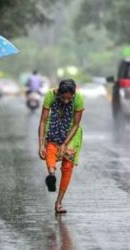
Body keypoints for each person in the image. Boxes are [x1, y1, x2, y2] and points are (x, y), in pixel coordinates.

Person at [38, 79, 84, 214]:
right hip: (53, 128)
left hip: (72, 133)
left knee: (67, 167)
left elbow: (76, 124)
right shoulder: (50, 96)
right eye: (63, 98)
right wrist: (41, 144)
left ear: (74, 95)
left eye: (69, 98)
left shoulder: (79, 99)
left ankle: (59, 203)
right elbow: (43, 121)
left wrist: (65, 144)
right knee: (50, 150)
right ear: (58, 93)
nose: (65, 101)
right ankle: (51, 175)